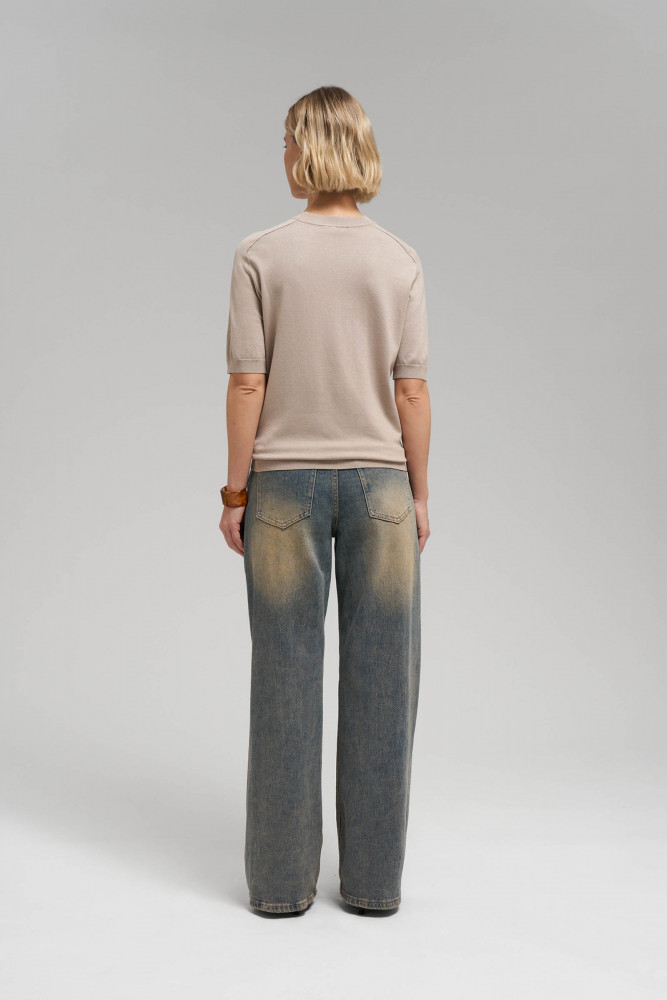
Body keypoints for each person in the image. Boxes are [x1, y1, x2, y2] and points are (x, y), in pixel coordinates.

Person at [219, 85, 431, 918]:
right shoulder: (399, 259)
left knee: (283, 679)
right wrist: (418, 494)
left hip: (282, 488)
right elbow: (410, 390)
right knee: (384, 682)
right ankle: (373, 886)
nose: (281, 155)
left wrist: (236, 491)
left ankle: (279, 887)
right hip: (381, 487)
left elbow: (247, 382)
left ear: (306, 150)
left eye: (285, 141)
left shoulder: (260, 254)